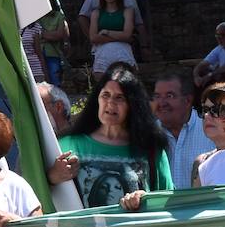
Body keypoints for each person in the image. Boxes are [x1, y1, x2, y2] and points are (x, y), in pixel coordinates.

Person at [50, 65, 173, 209]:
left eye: (119, 98)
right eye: (105, 95)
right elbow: (35, 197)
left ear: (133, 105)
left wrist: (145, 199)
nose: (110, 103)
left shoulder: (151, 149)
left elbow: (167, 201)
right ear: (97, 99)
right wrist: (52, 177)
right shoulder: (67, 146)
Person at [151, 72, 214, 190]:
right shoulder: (147, 135)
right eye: (157, 96)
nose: (161, 103)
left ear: (188, 100)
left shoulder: (211, 132)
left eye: (169, 96)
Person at [88, 0, 135, 75]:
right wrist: (119, 37)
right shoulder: (96, 13)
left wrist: (106, 32)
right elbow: (93, 37)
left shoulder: (127, 11)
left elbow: (127, 34)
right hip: (102, 52)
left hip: (123, 51)